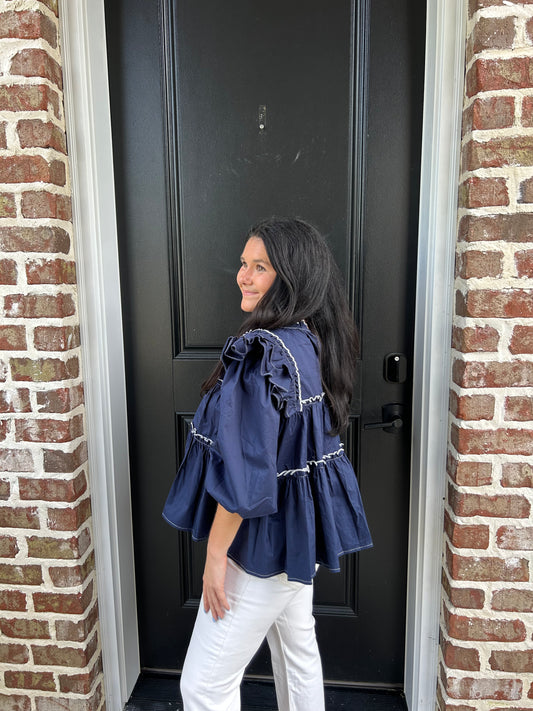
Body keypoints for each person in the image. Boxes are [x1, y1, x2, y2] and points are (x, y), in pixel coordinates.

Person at [163, 217, 372, 711]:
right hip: (296, 537)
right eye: (243, 263)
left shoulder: (261, 357)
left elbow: (245, 482)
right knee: (297, 650)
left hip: (260, 545)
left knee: (203, 685)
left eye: (261, 267)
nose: (243, 275)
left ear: (291, 279)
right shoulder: (305, 341)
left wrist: (216, 559)